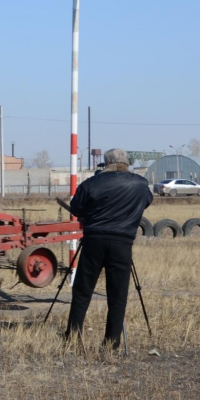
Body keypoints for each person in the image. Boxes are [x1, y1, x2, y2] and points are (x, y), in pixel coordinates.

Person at [65, 148, 153, 350]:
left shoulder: (92, 183)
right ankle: (111, 342)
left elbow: (76, 208)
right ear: (126, 162)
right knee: (117, 294)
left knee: (82, 291)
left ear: (105, 163)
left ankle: (73, 337)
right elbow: (146, 201)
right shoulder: (140, 184)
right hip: (122, 243)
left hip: (94, 240)